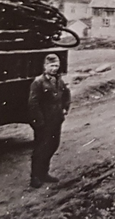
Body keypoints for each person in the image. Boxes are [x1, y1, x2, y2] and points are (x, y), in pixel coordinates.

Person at [28, 54, 71, 188]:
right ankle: (35, 176)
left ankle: (44, 173)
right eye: (51, 66)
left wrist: (65, 108)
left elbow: (66, 94)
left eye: (56, 66)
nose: (54, 69)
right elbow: (33, 103)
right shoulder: (38, 82)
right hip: (43, 121)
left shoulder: (58, 80)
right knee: (40, 148)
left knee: (53, 145)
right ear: (45, 67)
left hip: (56, 119)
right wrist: (39, 121)